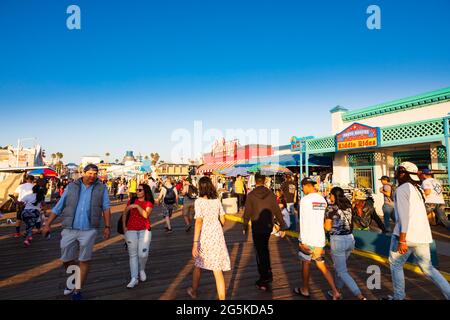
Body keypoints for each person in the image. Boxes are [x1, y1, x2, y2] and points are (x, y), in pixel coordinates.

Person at [42, 164, 111, 300]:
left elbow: (106, 207)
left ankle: (77, 290)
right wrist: (47, 224)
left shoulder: (101, 188)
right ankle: (74, 278)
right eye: (89, 173)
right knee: (66, 259)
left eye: (94, 173)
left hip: (89, 229)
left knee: (84, 259)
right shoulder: (72, 186)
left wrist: (107, 226)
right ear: (83, 173)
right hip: (69, 228)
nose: (92, 176)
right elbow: (59, 206)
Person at [383, 162, 450, 300]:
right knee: (428, 268)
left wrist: (402, 240)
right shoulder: (417, 188)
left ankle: (399, 297)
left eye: (397, 171)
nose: (395, 174)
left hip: (406, 235)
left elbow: (404, 216)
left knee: (395, 264)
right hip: (422, 235)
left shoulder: (402, 189)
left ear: (403, 173)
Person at [294, 178, 341, 300]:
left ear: (306, 186)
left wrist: (302, 241)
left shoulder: (304, 200)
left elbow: (302, 221)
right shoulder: (323, 200)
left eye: (303, 187)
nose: (303, 190)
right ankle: (335, 291)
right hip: (319, 239)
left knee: (306, 263)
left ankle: (305, 289)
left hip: (307, 239)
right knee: (322, 265)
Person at [187, 177, 230, 300]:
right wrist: (216, 227)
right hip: (217, 236)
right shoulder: (216, 201)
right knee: (217, 270)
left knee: (198, 265)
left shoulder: (199, 202)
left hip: (204, 237)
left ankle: (194, 292)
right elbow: (223, 219)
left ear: (200, 188)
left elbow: (199, 221)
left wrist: (195, 242)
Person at [243, 173, 288, 290]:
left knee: (260, 252)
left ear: (255, 181)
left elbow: (246, 213)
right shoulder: (271, 195)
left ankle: (263, 279)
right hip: (268, 227)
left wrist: (244, 227)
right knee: (265, 250)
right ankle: (268, 273)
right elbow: (277, 211)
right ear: (264, 181)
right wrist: (282, 226)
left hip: (257, 227)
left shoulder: (251, 195)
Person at [325, 187, 366, 300]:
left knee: (342, 271)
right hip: (350, 239)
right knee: (339, 267)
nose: (329, 196)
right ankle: (337, 292)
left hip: (338, 240)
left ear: (333, 195)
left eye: (330, 194)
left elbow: (327, 228)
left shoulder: (331, 208)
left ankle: (360, 296)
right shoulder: (348, 207)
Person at [122, 184, 154, 288]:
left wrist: (137, 206)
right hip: (131, 230)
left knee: (143, 254)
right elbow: (125, 213)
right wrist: (124, 227)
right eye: (137, 189)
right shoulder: (131, 200)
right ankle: (134, 278)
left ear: (145, 191)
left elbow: (145, 215)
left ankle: (142, 269)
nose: (137, 191)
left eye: (140, 190)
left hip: (144, 230)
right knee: (133, 255)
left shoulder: (148, 202)